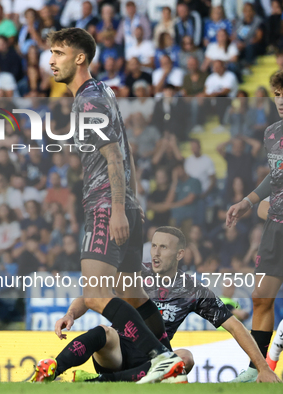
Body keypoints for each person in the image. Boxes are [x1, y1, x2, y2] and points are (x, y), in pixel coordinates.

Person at [34, 27, 183, 384]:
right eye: (51, 53)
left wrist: (117, 208)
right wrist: (132, 203)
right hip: (125, 205)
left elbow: (114, 156)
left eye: (58, 53)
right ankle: (170, 360)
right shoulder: (104, 92)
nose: (51, 60)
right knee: (132, 293)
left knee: (97, 294)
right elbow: (125, 149)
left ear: (80, 58)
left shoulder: (88, 100)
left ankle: (159, 358)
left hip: (106, 206)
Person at [33, 227, 280, 383]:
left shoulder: (192, 289)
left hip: (156, 357)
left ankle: (100, 381)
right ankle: (52, 369)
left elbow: (235, 326)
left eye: (163, 247)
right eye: (153, 245)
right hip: (118, 351)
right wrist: (70, 314)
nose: (156, 253)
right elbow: (94, 292)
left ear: (180, 254)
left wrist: (263, 368)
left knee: (186, 357)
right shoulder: (135, 273)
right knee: (104, 331)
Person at [225, 70, 283, 382]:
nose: (281, 99)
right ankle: (256, 370)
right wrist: (247, 202)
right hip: (275, 228)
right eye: (277, 93)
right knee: (260, 298)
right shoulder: (272, 133)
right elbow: (274, 177)